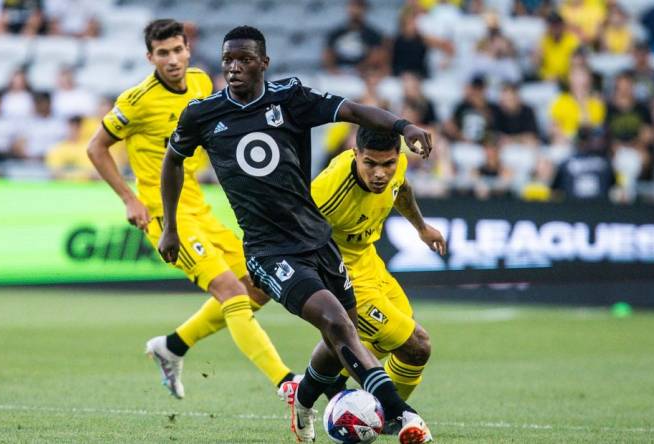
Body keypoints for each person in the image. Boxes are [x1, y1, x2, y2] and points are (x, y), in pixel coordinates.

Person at [160, 25, 433, 444]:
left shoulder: (290, 98)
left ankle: (303, 401)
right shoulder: (202, 114)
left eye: (245, 60)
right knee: (337, 322)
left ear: (263, 63)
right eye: (228, 59)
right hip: (269, 251)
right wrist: (171, 227)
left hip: (318, 241)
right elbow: (173, 162)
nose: (234, 67)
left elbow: (356, 112)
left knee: (339, 332)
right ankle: (400, 414)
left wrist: (404, 126)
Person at [86, 19, 294, 400]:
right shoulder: (137, 101)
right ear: (150, 57)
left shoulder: (201, 82)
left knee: (262, 285)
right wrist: (129, 199)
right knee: (231, 293)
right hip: (165, 215)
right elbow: (96, 147)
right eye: (162, 53)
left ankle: (173, 346)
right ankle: (286, 382)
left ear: (188, 50)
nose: (172, 59)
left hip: (200, 206)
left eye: (177, 50)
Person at [311, 127, 445, 403]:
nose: (380, 173)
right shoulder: (327, 192)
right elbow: (295, 235)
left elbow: (401, 189)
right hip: (342, 277)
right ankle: (390, 414)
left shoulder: (398, 165)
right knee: (417, 346)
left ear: (398, 156)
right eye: (370, 163)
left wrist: (421, 228)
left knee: (389, 338)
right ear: (355, 154)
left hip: (370, 262)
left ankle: (322, 384)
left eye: (388, 164)